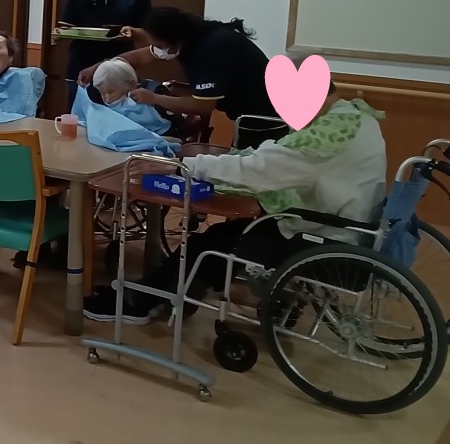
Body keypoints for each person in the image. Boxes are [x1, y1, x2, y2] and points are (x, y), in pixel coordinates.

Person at [84, 76, 387, 324]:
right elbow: (282, 157)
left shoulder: (326, 139)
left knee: (211, 244)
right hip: (347, 226)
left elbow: (260, 170)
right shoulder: (355, 117)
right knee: (222, 236)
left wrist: (186, 166)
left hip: (322, 238)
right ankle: (170, 293)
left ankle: (140, 302)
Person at [78, 6, 282, 147]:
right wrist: (99, 66)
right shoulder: (191, 36)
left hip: (263, 117)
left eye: (159, 45)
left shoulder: (211, 50)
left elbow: (202, 106)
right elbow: (142, 56)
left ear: (173, 39)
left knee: (255, 180)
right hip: (248, 114)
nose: (157, 50)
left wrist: (154, 98)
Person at [61, 0, 151, 108]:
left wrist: (132, 32)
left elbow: (147, 34)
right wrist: (59, 33)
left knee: (118, 115)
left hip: (119, 66)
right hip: (82, 63)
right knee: (80, 116)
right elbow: (66, 25)